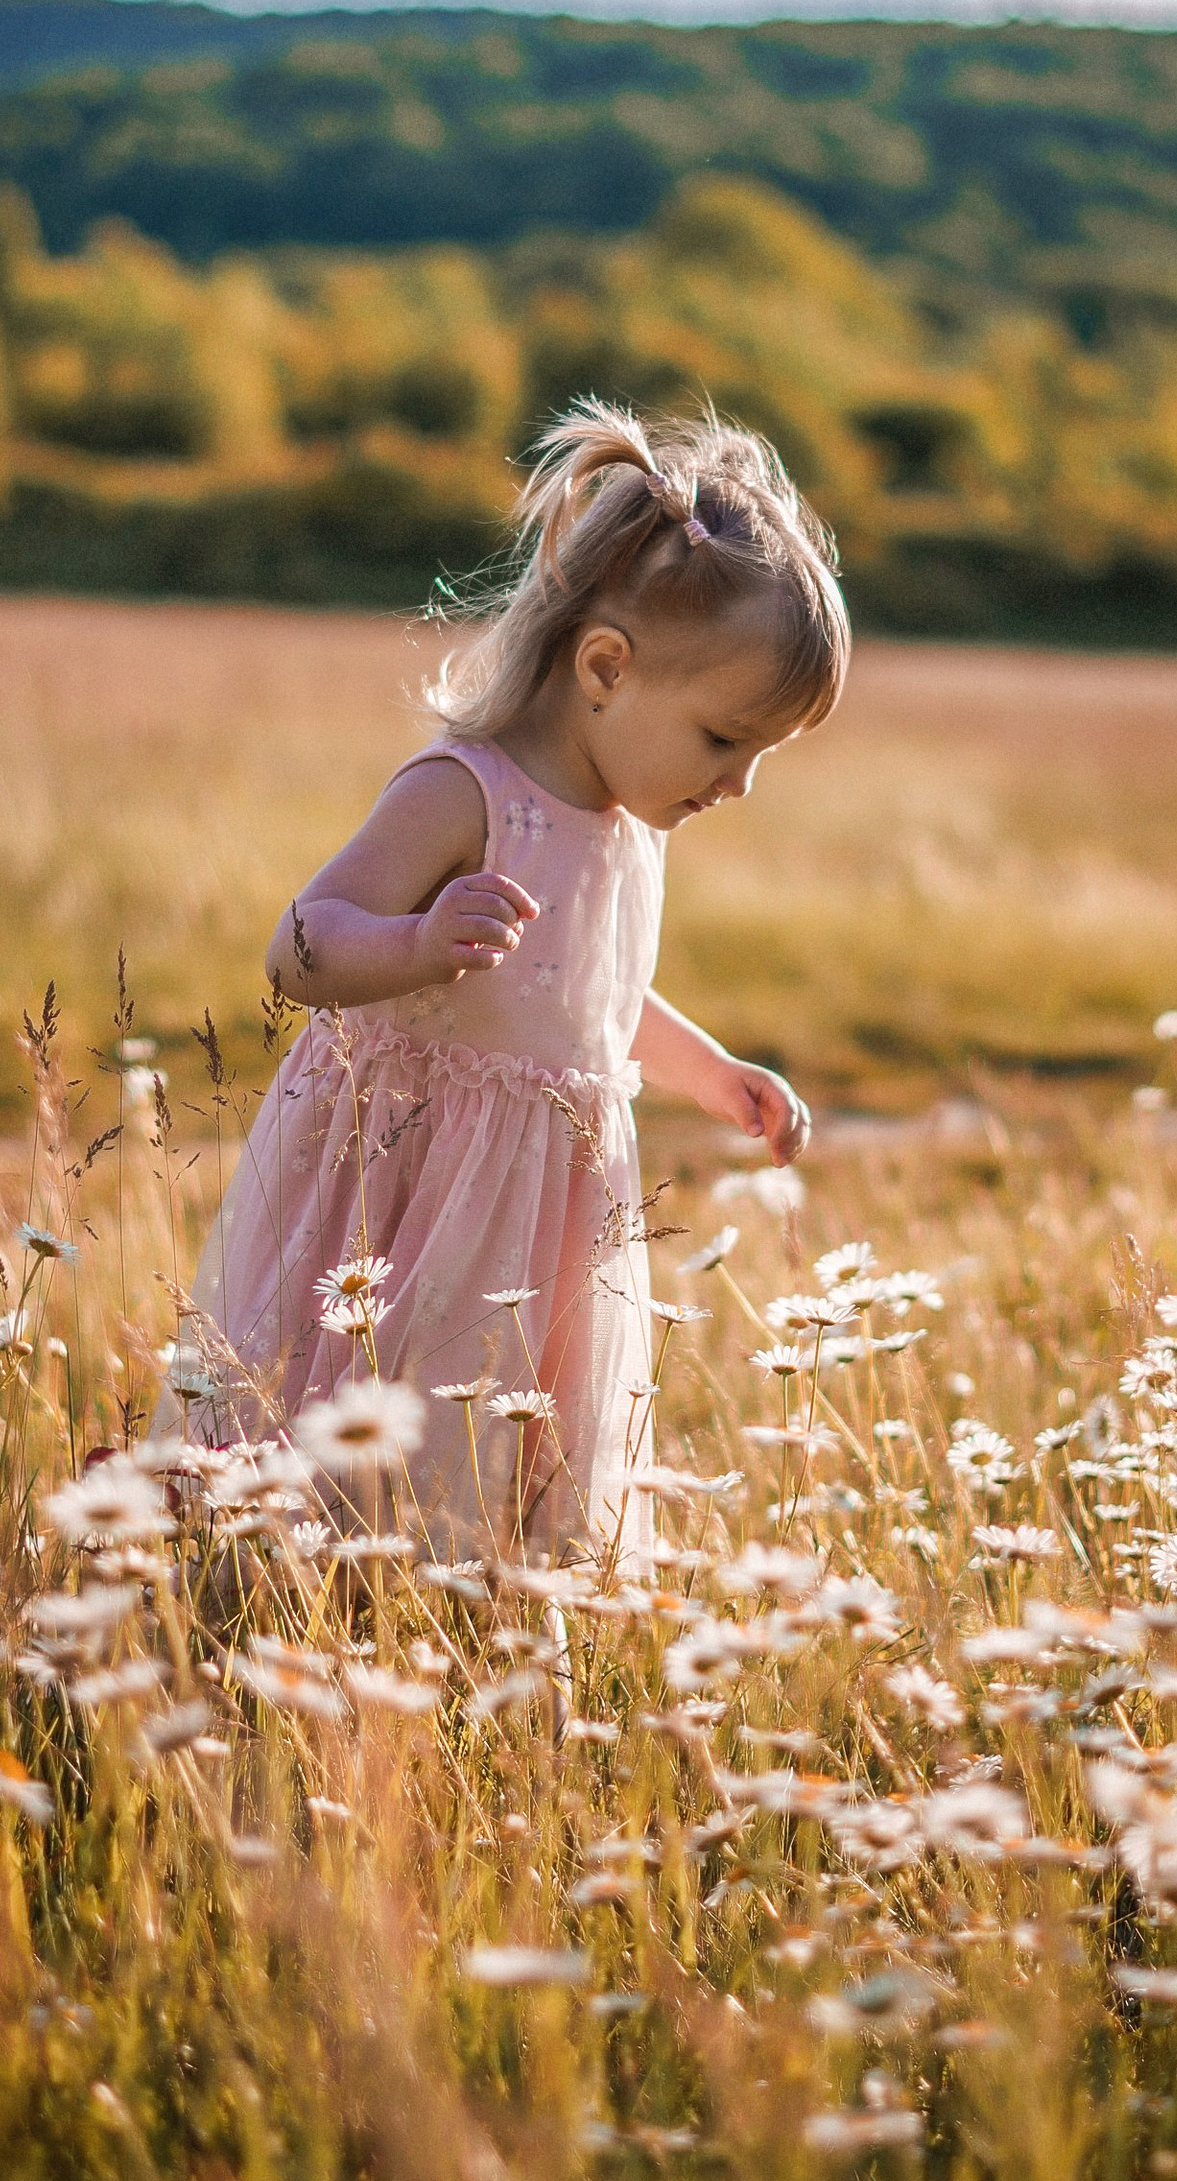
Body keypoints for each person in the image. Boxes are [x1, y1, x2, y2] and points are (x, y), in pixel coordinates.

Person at [167, 399, 849, 1552]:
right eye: (726, 740)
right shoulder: (465, 792)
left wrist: (710, 1071)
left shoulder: (632, 827)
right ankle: (310, 1628)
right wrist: (416, 945)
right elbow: (297, 944)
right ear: (604, 666)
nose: (737, 785)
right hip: (404, 1190)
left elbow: (592, 996)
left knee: (499, 1458)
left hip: (545, 1207)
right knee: (369, 1450)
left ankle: (475, 1640)